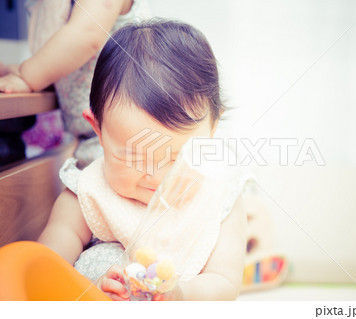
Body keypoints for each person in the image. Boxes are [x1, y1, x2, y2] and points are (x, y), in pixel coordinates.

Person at [38, 19, 249, 301]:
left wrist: (180, 295)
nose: (157, 176)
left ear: (212, 130)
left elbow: (225, 283)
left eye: (177, 159)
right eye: (136, 157)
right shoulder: (86, 194)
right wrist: (87, 288)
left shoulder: (219, 202)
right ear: (98, 129)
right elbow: (46, 265)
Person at [0, 0, 151, 168]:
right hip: (93, 140)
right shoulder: (44, 8)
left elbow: (87, 34)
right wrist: (13, 70)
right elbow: (53, 62)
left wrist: (25, 76)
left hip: (132, 138)